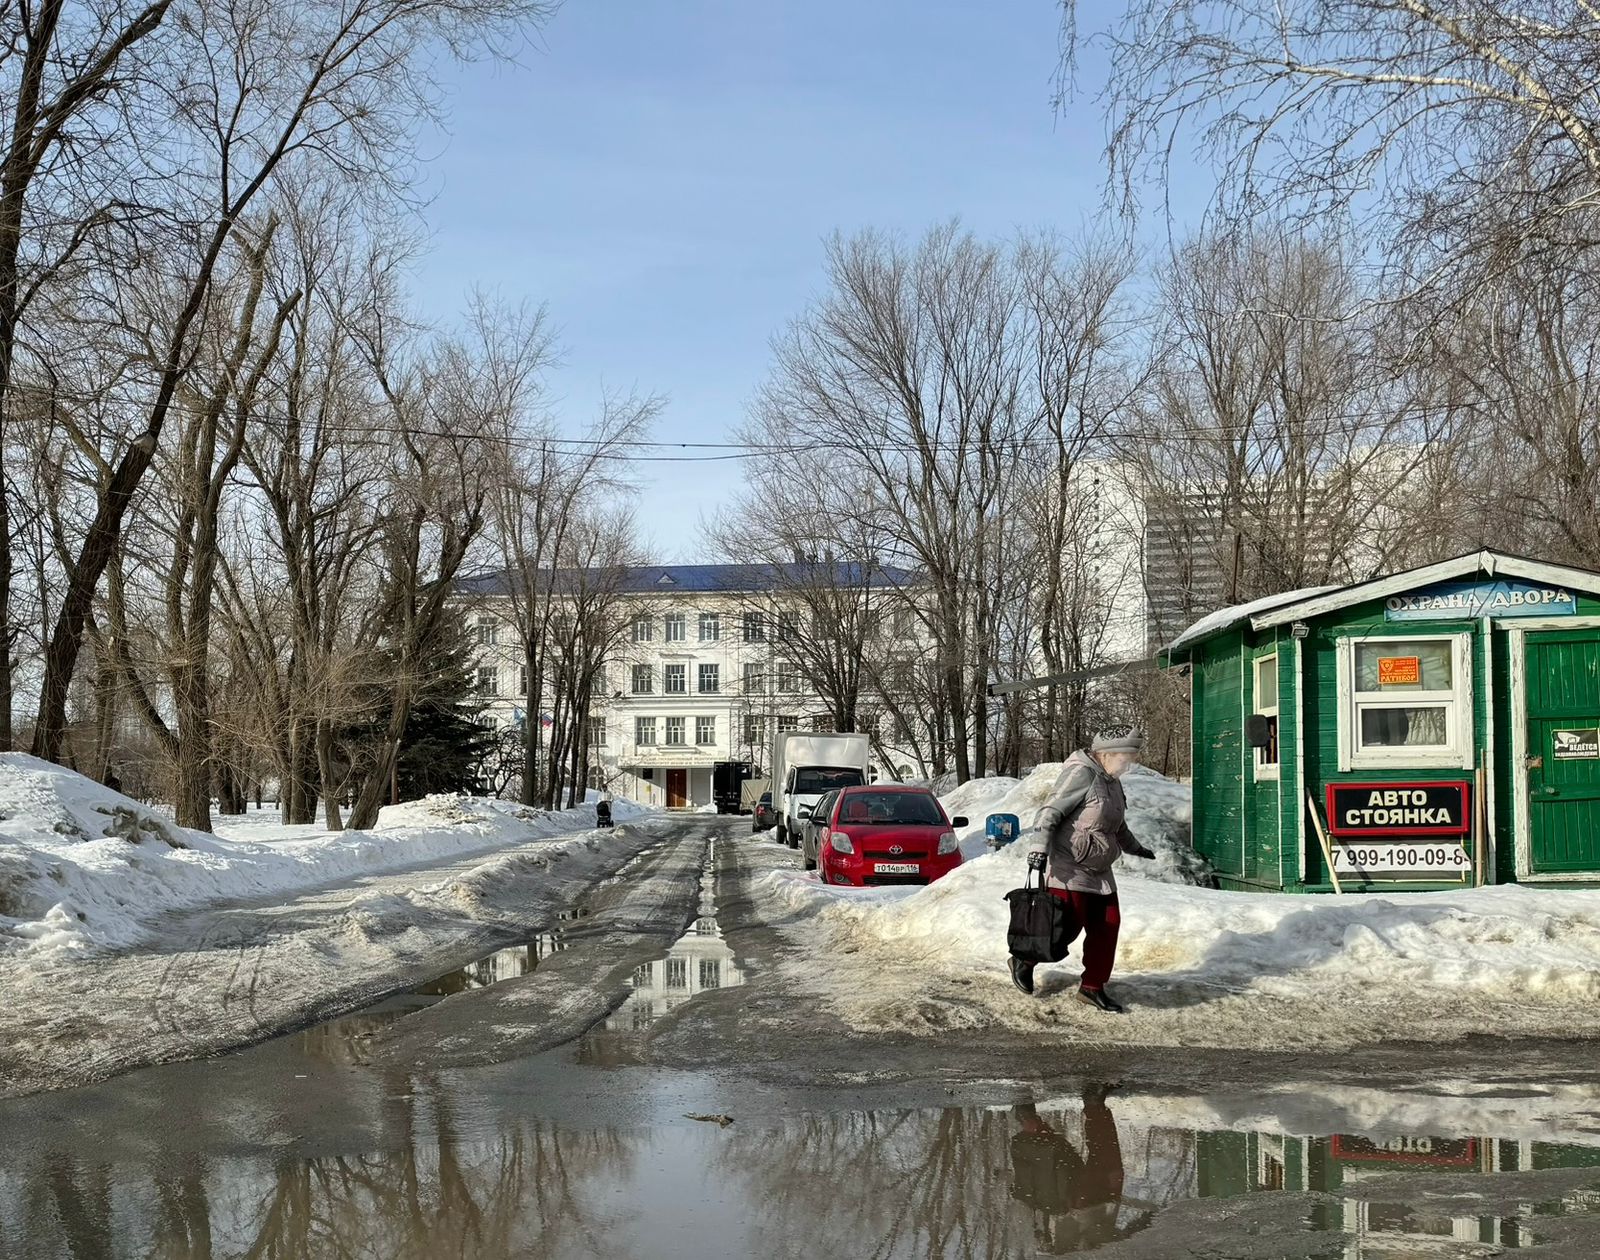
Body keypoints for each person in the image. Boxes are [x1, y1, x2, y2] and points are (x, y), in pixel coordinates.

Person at [1012, 729, 1156, 1012]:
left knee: (1108, 925)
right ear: (1107, 754)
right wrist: (1039, 850)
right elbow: (1048, 813)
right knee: (1063, 930)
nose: (1130, 762)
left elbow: (1117, 825)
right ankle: (1024, 960)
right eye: (1127, 756)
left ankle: (1092, 987)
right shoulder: (1082, 774)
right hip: (1070, 866)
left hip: (1100, 870)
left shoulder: (1112, 781)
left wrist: (1136, 848)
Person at [1009, 1086, 1145, 1252]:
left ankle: (1031, 1120)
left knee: (1058, 1159)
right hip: (1093, 1210)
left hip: (1071, 1208)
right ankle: (1094, 1104)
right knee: (1109, 1169)